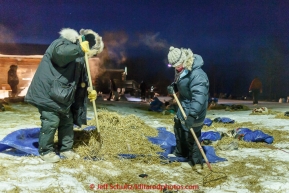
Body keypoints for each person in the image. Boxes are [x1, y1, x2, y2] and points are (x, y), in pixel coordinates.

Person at [25, 28, 104, 163]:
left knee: (67, 122)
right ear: (88, 46)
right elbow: (60, 55)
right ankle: (46, 151)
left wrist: (90, 90)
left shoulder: (79, 57)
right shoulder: (62, 44)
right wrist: (80, 48)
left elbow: (81, 79)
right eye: (94, 52)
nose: (92, 55)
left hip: (63, 97)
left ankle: (66, 149)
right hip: (49, 94)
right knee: (51, 121)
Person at [167, 46, 209, 173]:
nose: (177, 68)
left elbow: (199, 97)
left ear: (184, 60)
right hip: (184, 104)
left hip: (196, 107)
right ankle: (181, 152)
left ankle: (195, 161)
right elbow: (181, 82)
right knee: (179, 127)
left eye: (178, 65)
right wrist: (174, 87)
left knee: (193, 133)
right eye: (174, 66)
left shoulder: (198, 75)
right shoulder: (180, 69)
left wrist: (192, 115)